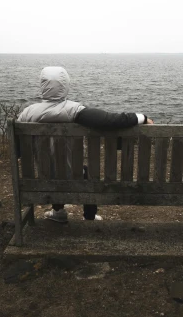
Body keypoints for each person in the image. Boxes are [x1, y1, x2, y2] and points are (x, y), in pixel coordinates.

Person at [17, 66, 153, 222]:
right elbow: (109, 120)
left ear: (42, 85)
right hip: (74, 177)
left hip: (41, 179)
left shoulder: (27, 114)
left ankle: (59, 212)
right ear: (66, 85)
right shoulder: (75, 111)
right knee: (85, 170)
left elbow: (18, 151)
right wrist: (141, 117)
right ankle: (89, 216)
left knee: (53, 165)